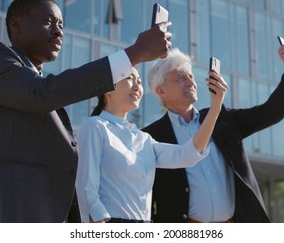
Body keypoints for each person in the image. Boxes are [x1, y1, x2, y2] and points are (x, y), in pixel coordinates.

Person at [0, 0, 172, 223]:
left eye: (61, 25)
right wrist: (135, 53)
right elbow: (42, 94)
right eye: (48, 21)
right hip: (14, 214)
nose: (59, 32)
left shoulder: (39, 84)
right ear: (15, 25)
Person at [142, 45, 284, 223]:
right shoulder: (149, 137)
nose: (190, 82)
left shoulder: (223, 119)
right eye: (180, 78)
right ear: (161, 90)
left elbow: (270, 113)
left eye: (191, 76)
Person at [75, 66, 227, 223]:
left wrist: (215, 108)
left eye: (139, 82)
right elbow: (86, 188)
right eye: (129, 79)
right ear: (108, 88)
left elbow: (187, 154)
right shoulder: (95, 126)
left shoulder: (144, 139)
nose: (137, 87)